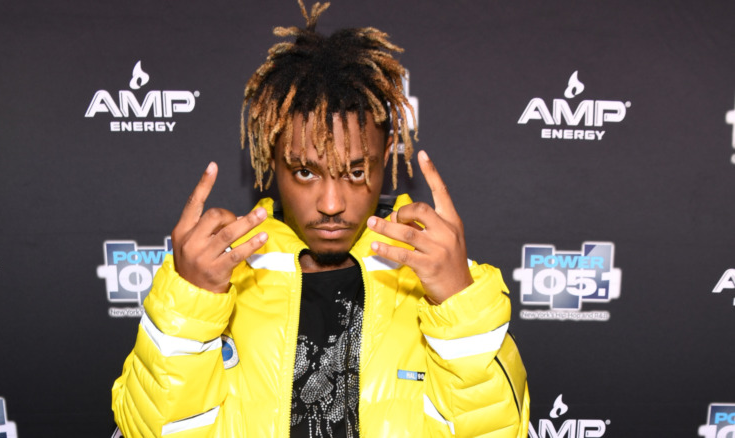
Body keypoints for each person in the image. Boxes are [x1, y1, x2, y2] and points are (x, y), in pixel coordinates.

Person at [112, 1, 529, 437]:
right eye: (306, 171)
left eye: (354, 171)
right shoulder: (222, 275)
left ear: (386, 157)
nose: (332, 202)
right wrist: (189, 304)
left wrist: (459, 304)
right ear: (270, 161)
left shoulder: (431, 282)